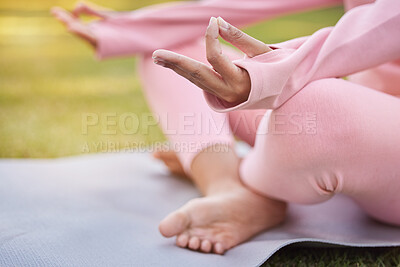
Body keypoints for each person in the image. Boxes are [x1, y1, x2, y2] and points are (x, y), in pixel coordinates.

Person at [51, 0, 400, 255]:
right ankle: (229, 188)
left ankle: (252, 173)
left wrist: (266, 75)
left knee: (319, 107)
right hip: (364, 134)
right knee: (171, 46)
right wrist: (139, 27)